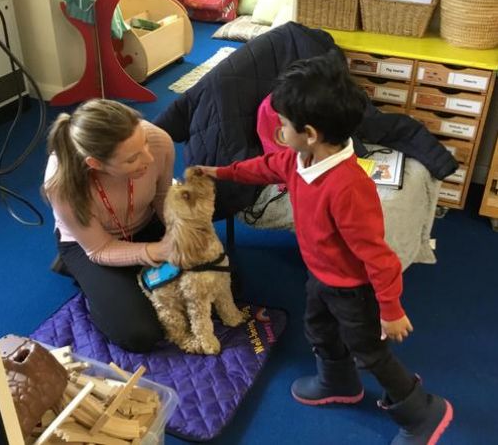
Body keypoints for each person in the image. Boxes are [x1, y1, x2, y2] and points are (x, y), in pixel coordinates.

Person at [198, 50, 453, 444]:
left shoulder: (348, 187)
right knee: (317, 326)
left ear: (311, 132)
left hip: (353, 289)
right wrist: (220, 172)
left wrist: (391, 309)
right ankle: (338, 381)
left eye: (283, 124)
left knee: (369, 351)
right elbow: (264, 167)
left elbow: (378, 256)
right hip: (321, 275)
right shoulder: (298, 158)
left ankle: (420, 411)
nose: (278, 130)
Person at [44, 99, 174, 352]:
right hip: (93, 244)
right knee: (140, 335)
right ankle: (83, 274)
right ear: (95, 164)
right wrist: (156, 252)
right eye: (132, 158)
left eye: (144, 143)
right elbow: (100, 249)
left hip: (145, 222)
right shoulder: (61, 183)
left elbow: (162, 195)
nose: (148, 158)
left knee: (226, 283)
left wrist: (176, 231)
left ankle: (125, 274)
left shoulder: (158, 141)